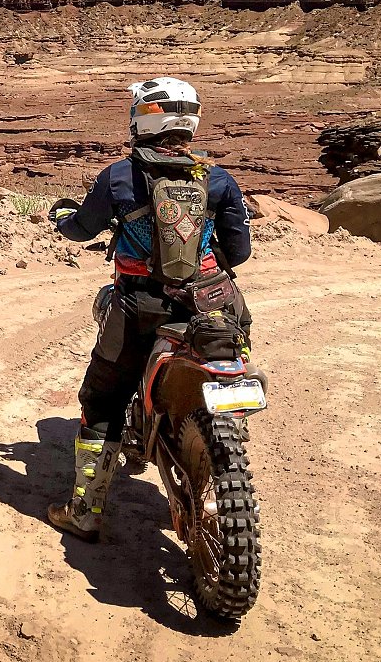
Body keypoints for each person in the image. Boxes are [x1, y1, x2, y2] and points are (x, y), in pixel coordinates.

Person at [46, 77, 251, 541]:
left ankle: (85, 511)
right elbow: (237, 254)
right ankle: (223, 443)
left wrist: (61, 217)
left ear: (142, 118)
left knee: (102, 401)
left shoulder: (120, 176)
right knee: (233, 346)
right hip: (206, 303)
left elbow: (81, 228)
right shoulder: (215, 178)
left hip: (139, 306)